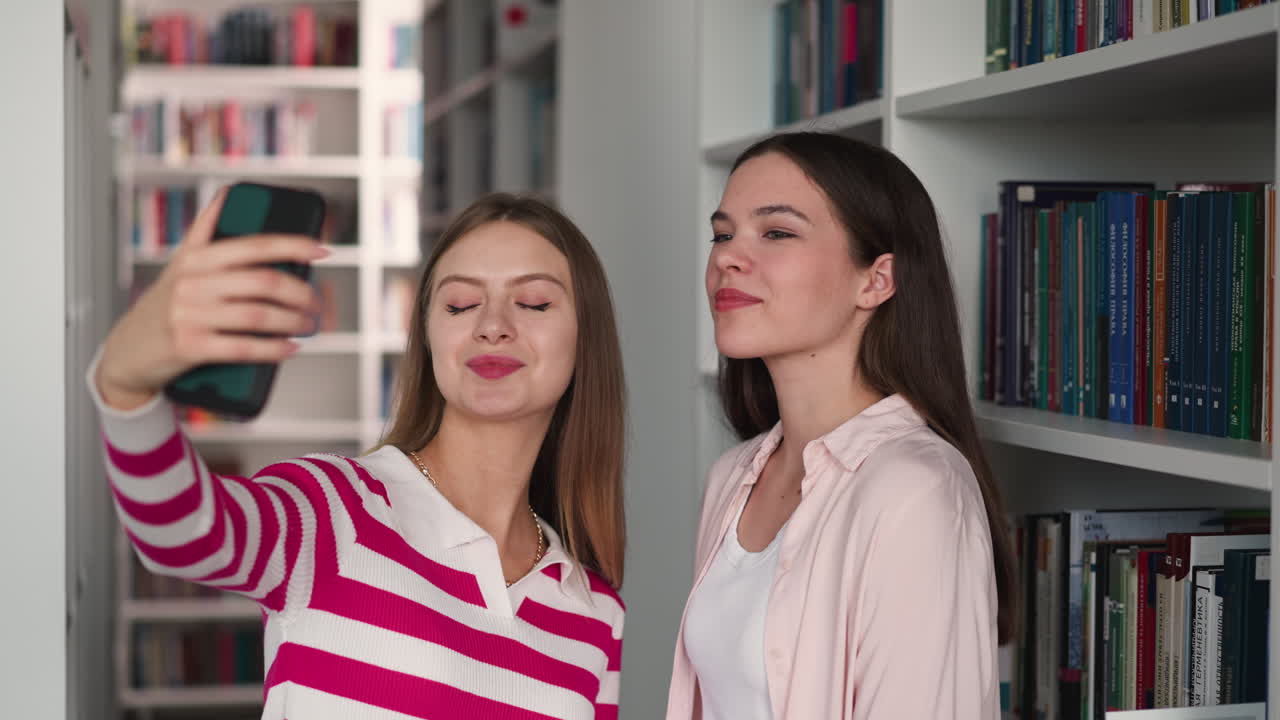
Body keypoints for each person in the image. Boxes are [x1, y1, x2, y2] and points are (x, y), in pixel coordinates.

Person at [90, 191, 627, 720]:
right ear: (428, 335)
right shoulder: (334, 511)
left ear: (585, 338)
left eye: (534, 302)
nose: (492, 324)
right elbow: (185, 532)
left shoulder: (594, 611)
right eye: (460, 304)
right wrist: (125, 389)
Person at [666, 132, 1017, 720]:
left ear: (876, 280)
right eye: (722, 234)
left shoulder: (915, 490)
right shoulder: (732, 478)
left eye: (776, 232)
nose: (727, 256)